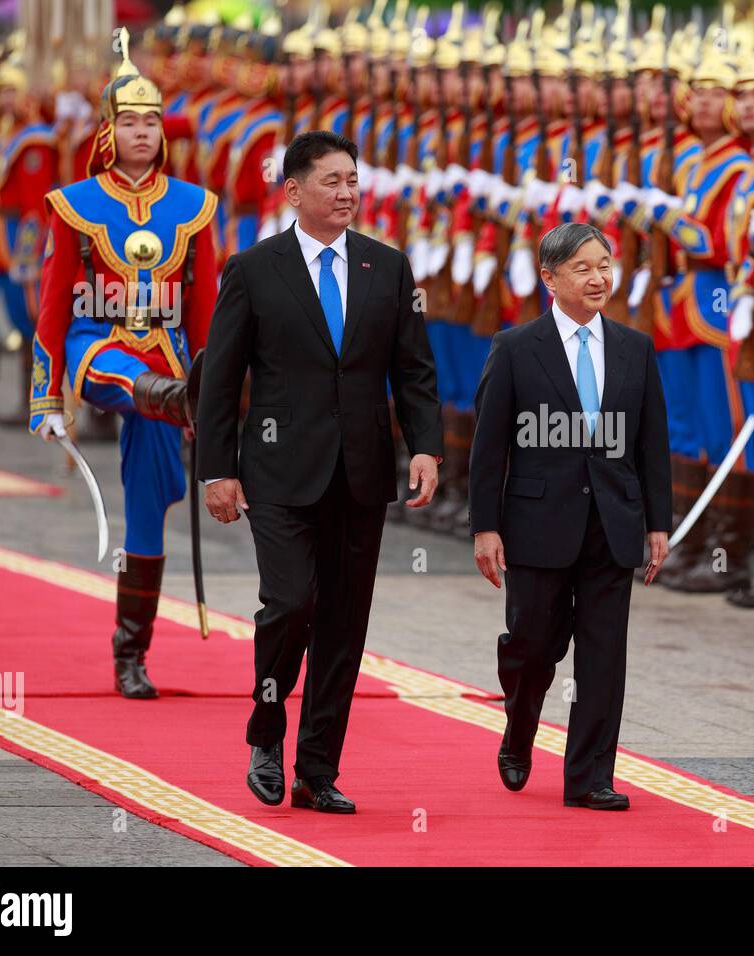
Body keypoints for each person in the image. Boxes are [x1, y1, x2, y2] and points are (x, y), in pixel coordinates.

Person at [196, 129, 444, 815]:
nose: (346, 194)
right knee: (292, 602)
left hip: (361, 473)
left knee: (343, 622)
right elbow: (220, 379)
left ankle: (318, 769)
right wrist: (217, 469)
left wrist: (425, 446)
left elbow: (413, 370)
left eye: (353, 182)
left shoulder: (386, 268)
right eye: (331, 182)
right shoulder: (254, 269)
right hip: (278, 472)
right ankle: (267, 728)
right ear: (295, 190)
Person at [30, 34, 218, 701]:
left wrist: (212, 397)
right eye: (129, 120)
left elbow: (204, 311)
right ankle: (167, 396)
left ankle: (131, 651)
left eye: (151, 120)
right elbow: (53, 307)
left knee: (147, 512)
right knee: (113, 367)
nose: (142, 131)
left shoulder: (194, 207)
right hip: (95, 345)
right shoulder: (73, 203)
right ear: (108, 131)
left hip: (168, 362)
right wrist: (46, 399)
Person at [469, 221, 671, 810]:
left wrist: (657, 524)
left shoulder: (636, 348)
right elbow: (489, 449)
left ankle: (589, 778)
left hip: (614, 525)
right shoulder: (514, 348)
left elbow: (651, 445)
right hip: (536, 525)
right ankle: (520, 723)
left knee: (604, 655)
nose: (598, 277)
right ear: (549, 278)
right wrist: (486, 528)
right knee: (534, 644)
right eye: (582, 268)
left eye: (604, 265)